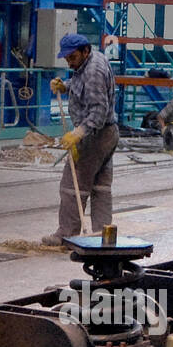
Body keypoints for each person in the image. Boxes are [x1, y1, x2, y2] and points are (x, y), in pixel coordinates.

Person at [42, 33, 119, 246]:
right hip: (109, 133)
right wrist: (66, 86)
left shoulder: (94, 71)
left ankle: (67, 234)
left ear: (85, 51)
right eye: (66, 58)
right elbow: (80, 80)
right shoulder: (93, 60)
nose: (69, 61)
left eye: (72, 57)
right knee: (101, 187)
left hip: (95, 135)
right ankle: (103, 235)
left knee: (72, 185)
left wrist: (79, 133)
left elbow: (98, 111)